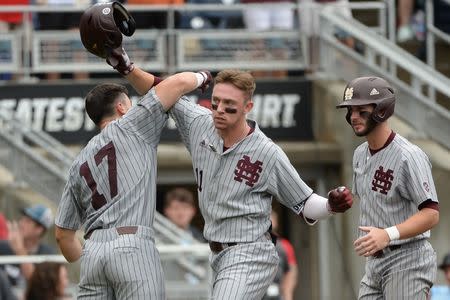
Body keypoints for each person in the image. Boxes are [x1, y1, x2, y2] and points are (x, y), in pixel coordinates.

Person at [112, 49, 353, 300]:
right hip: (217, 255)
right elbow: (160, 91)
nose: (220, 111)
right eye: (216, 103)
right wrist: (127, 67)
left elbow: (306, 204)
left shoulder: (266, 152)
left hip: (251, 254)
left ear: (248, 107)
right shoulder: (200, 123)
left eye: (230, 107)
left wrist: (331, 205)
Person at [55, 4, 212, 299]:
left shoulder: (79, 160)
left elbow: (63, 237)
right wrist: (203, 77)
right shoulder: (132, 124)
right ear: (121, 108)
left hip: (93, 252)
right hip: (132, 244)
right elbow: (177, 84)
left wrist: (94, 255)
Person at [336, 76, 440, 299]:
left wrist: (388, 234)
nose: (353, 117)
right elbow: (372, 198)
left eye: (361, 110)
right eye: (350, 111)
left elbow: (431, 214)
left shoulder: (409, 156)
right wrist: (334, 202)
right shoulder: (359, 154)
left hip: (408, 258)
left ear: (381, 110)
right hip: (374, 263)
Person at [0, 204, 56, 289]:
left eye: (27, 221)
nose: (21, 223)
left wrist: (19, 250)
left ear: (39, 229)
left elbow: (40, 286)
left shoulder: (47, 255)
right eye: (22, 219)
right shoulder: (3, 247)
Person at [264, 210, 298, 300]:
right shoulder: (252, 245)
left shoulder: (284, 246)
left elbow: (291, 272)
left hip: (276, 292)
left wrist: (288, 295)